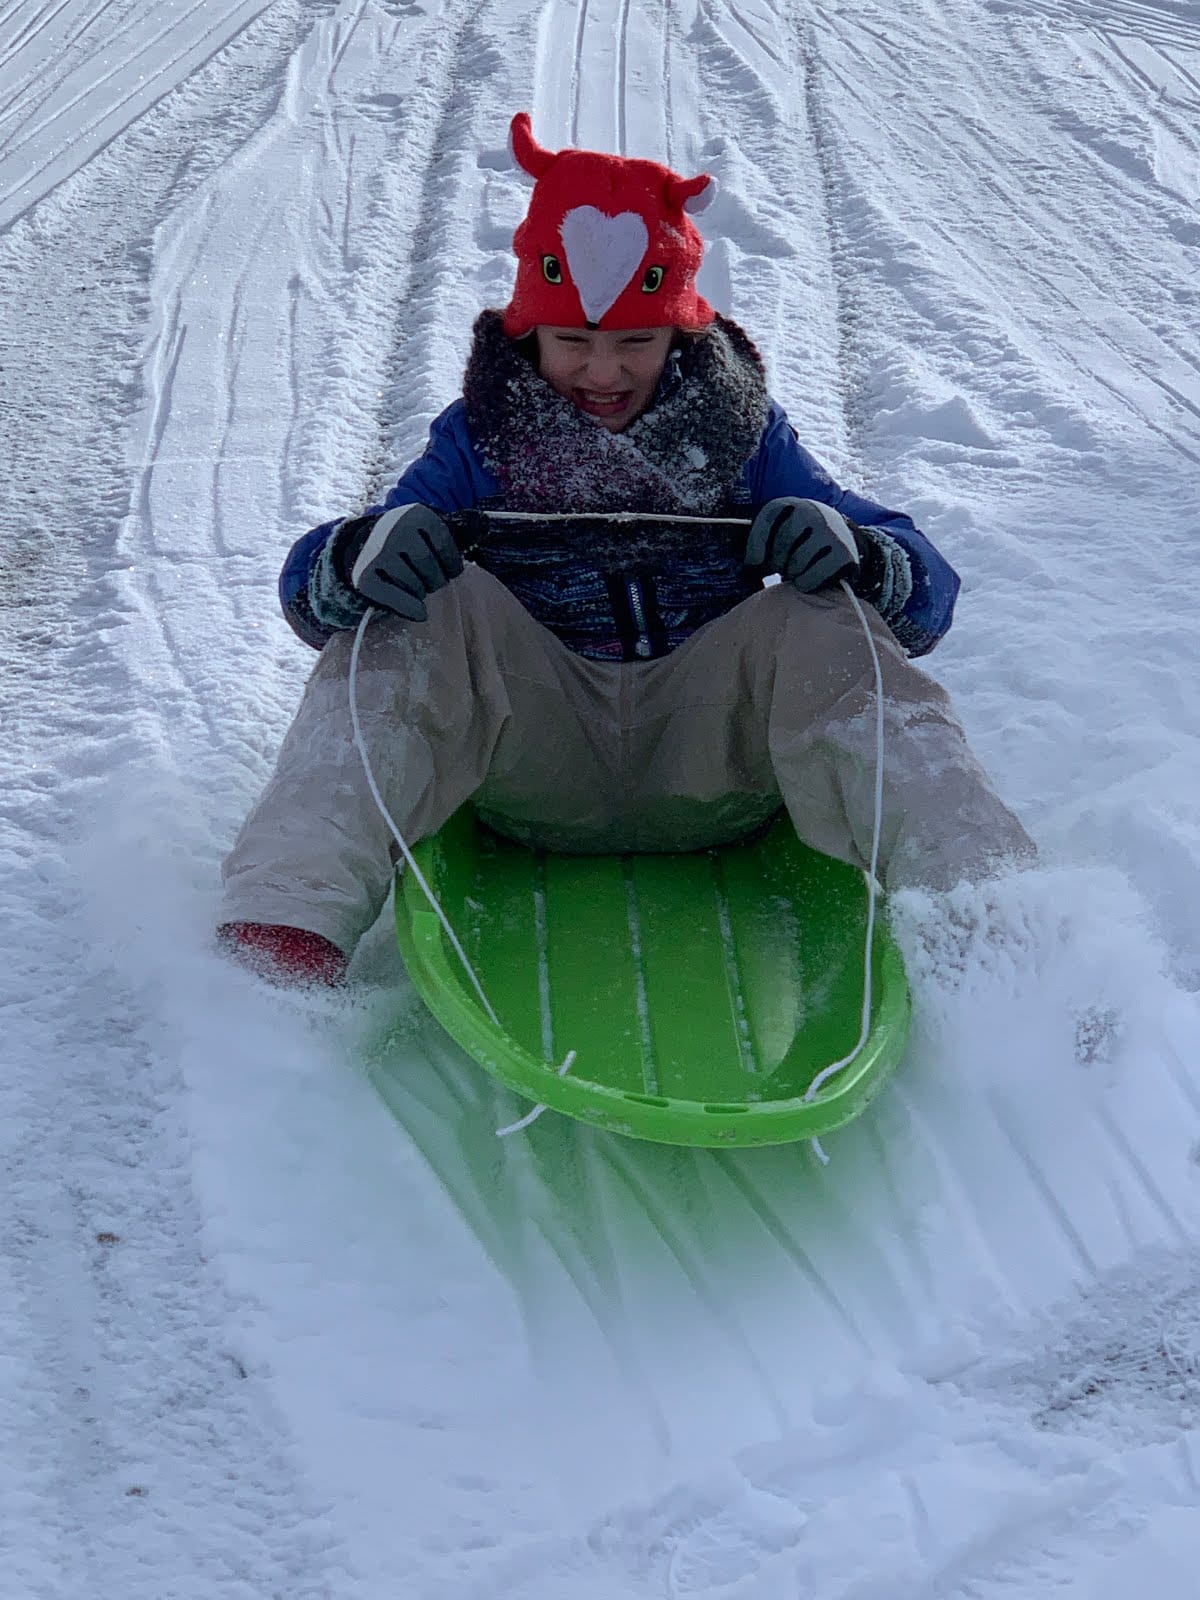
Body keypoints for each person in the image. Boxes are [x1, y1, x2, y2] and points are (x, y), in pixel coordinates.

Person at [219, 112, 1034, 986]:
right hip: (534, 758)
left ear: (678, 332)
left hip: (714, 762)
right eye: (573, 342)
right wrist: (359, 554)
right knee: (415, 607)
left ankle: (995, 922)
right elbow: (312, 594)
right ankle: (285, 929)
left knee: (828, 614)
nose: (602, 374)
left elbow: (925, 594)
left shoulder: (742, 435)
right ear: (530, 330)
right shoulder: (480, 439)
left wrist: (865, 553)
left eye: (634, 343)